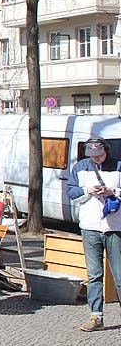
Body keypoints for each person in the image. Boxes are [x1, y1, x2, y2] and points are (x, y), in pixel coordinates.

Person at [64, 136, 121, 331]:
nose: (96, 158)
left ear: (106, 150)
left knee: (119, 275)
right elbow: (71, 192)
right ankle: (96, 316)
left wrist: (112, 191)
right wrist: (88, 190)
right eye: (93, 155)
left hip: (115, 227)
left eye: (100, 155)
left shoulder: (118, 166)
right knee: (94, 275)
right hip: (90, 226)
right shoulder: (80, 167)